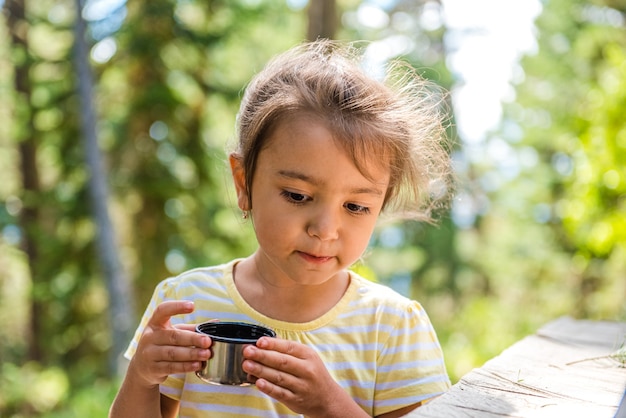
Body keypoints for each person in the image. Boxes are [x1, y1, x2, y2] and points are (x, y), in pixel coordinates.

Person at [109, 39, 454, 418]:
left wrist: (329, 404)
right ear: (244, 183)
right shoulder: (186, 302)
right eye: (297, 195)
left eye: (356, 206)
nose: (325, 229)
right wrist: (142, 377)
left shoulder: (392, 328)